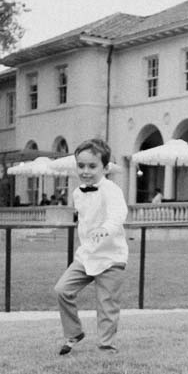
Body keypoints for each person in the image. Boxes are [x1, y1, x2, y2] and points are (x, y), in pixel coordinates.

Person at [54, 139, 128, 356]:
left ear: (105, 168)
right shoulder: (77, 193)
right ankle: (74, 332)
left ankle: (106, 347)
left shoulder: (112, 190)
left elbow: (118, 215)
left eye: (92, 166)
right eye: (81, 166)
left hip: (112, 257)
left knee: (107, 304)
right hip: (87, 256)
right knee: (62, 289)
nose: (85, 171)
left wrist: (105, 229)